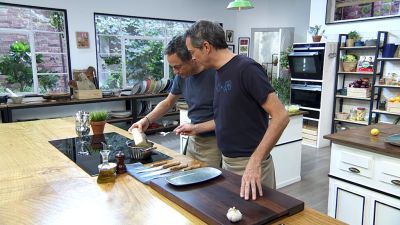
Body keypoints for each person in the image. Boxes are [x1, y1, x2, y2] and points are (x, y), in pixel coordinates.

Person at [183, 20, 289, 200]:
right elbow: (228, 117)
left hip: (251, 165)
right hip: (229, 162)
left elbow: (281, 116)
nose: (193, 58)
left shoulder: (246, 69)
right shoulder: (219, 72)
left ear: (206, 46)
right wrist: (196, 128)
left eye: (193, 52)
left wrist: (255, 162)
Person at [128, 35, 221, 168]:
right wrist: (146, 120)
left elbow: (228, 118)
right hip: (194, 139)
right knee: (190, 178)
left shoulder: (215, 74)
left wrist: (195, 128)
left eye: (178, 67)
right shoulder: (182, 77)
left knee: (210, 186)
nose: (175, 72)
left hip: (216, 142)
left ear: (192, 58)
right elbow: (167, 103)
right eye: (172, 67)